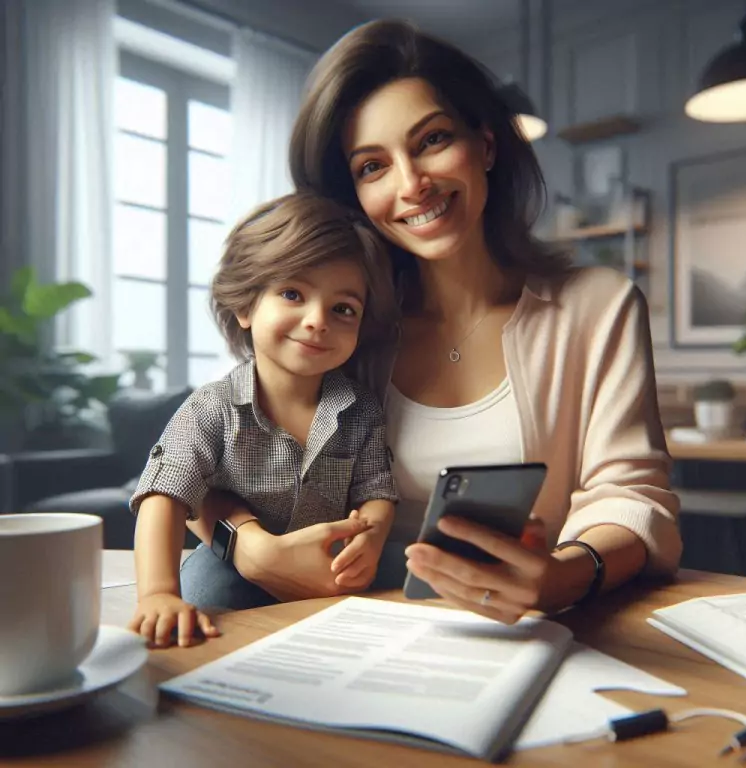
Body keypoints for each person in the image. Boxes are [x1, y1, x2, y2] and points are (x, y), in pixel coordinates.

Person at [187, 19, 682, 624]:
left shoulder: (598, 306)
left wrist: (566, 573)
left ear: (487, 144)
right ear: (353, 197)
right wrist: (251, 547)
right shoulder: (345, 324)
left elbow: (631, 497)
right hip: (335, 622)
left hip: (518, 629)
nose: (413, 185)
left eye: (432, 140)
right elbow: (208, 457)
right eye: (372, 167)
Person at [129, 191, 400, 647]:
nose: (317, 320)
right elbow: (163, 493)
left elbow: (377, 490)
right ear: (246, 306)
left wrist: (369, 542)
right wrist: (157, 592)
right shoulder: (211, 408)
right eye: (293, 293)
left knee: (404, 578)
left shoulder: (361, 409)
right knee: (204, 600)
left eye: (343, 309)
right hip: (232, 566)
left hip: (331, 568)